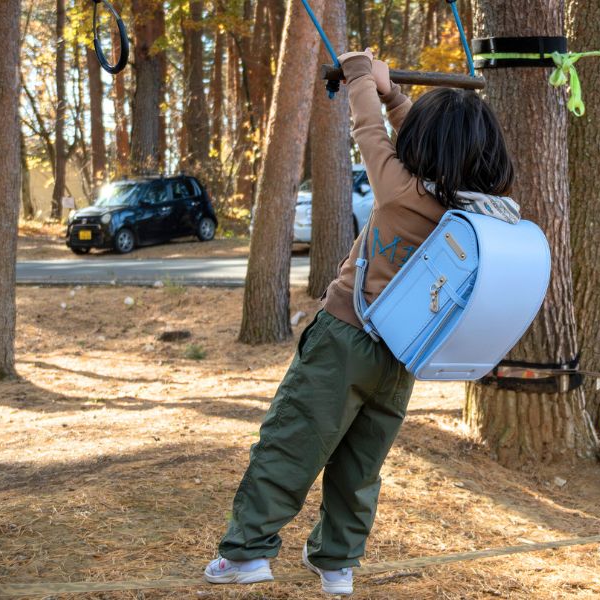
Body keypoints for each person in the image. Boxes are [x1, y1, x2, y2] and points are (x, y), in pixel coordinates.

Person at [204, 49, 515, 596]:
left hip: (344, 337)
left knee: (294, 440)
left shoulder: (398, 188)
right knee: (361, 458)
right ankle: (337, 562)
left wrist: (360, 76)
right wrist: (397, 97)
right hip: (403, 353)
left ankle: (247, 552)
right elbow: (413, 136)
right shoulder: (480, 210)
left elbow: (368, 128)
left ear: (421, 144)